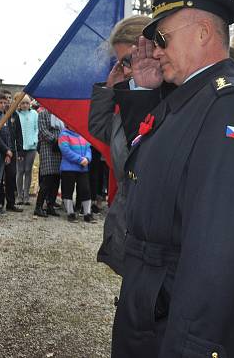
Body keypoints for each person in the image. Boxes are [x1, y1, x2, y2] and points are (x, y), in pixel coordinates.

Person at [110, 0, 234, 357]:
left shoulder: (227, 107)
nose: (155, 51)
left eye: (162, 38)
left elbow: (219, 249)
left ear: (202, 33)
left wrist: (191, 346)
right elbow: (146, 166)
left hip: (177, 315)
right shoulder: (187, 98)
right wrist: (146, 90)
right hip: (153, 300)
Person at [89, 14, 152, 275]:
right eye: (119, 62)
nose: (125, 70)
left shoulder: (171, 102)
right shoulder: (124, 104)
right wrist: (109, 90)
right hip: (128, 227)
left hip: (151, 236)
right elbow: (100, 129)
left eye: (128, 60)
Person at [58, 128, 95, 222]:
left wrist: (87, 158)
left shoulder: (82, 133)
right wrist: (80, 160)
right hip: (68, 168)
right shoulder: (63, 134)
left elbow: (88, 148)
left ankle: (87, 214)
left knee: (86, 189)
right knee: (68, 190)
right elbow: (65, 150)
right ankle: (70, 213)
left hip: (83, 168)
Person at [0, 90, 23, 213]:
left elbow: (19, 134)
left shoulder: (15, 115)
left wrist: (20, 151)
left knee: (11, 177)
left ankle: (11, 203)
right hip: (0, 151)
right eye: (5, 98)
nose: (7, 101)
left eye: (9, 98)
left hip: (12, 151)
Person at [36, 106, 63, 217]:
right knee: (47, 178)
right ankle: (38, 207)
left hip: (59, 148)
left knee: (56, 178)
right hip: (47, 147)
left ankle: (50, 205)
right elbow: (43, 131)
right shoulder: (43, 114)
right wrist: (55, 139)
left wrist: (63, 141)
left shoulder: (60, 114)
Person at [16, 95, 38, 206]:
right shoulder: (16, 115)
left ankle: (26, 196)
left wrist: (35, 141)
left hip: (31, 147)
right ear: (19, 104)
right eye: (23, 103)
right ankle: (19, 196)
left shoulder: (34, 114)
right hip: (19, 148)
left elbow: (36, 129)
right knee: (20, 171)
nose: (25, 105)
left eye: (27, 103)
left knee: (28, 170)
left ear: (30, 104)